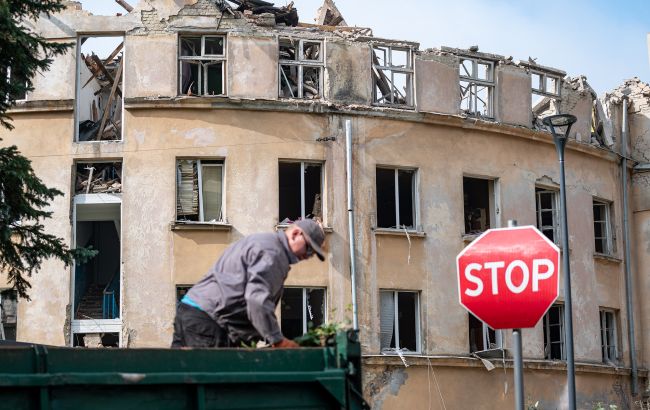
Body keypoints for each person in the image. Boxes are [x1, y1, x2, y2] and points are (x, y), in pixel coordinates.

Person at [171, 219, 326, 348]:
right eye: (309, 248)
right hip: (209, 322)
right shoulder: (274, 253)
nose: (308, 256)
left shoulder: (263, 242)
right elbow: (257, 299)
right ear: (295, 233)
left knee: (173, 379)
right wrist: (277, 340)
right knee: (211, 382)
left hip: (192, 312)